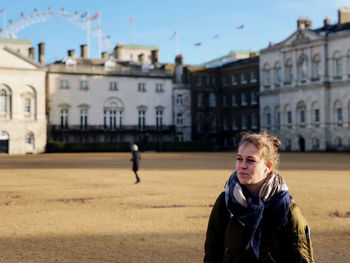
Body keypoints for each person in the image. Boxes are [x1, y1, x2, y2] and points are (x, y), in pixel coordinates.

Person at [204, 132, 314, 263]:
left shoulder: (287, 210)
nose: (242, 165)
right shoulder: (226, 202)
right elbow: (213, 252)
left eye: (251, 160)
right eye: (239, 159)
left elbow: (301, 259)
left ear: (268, 167)